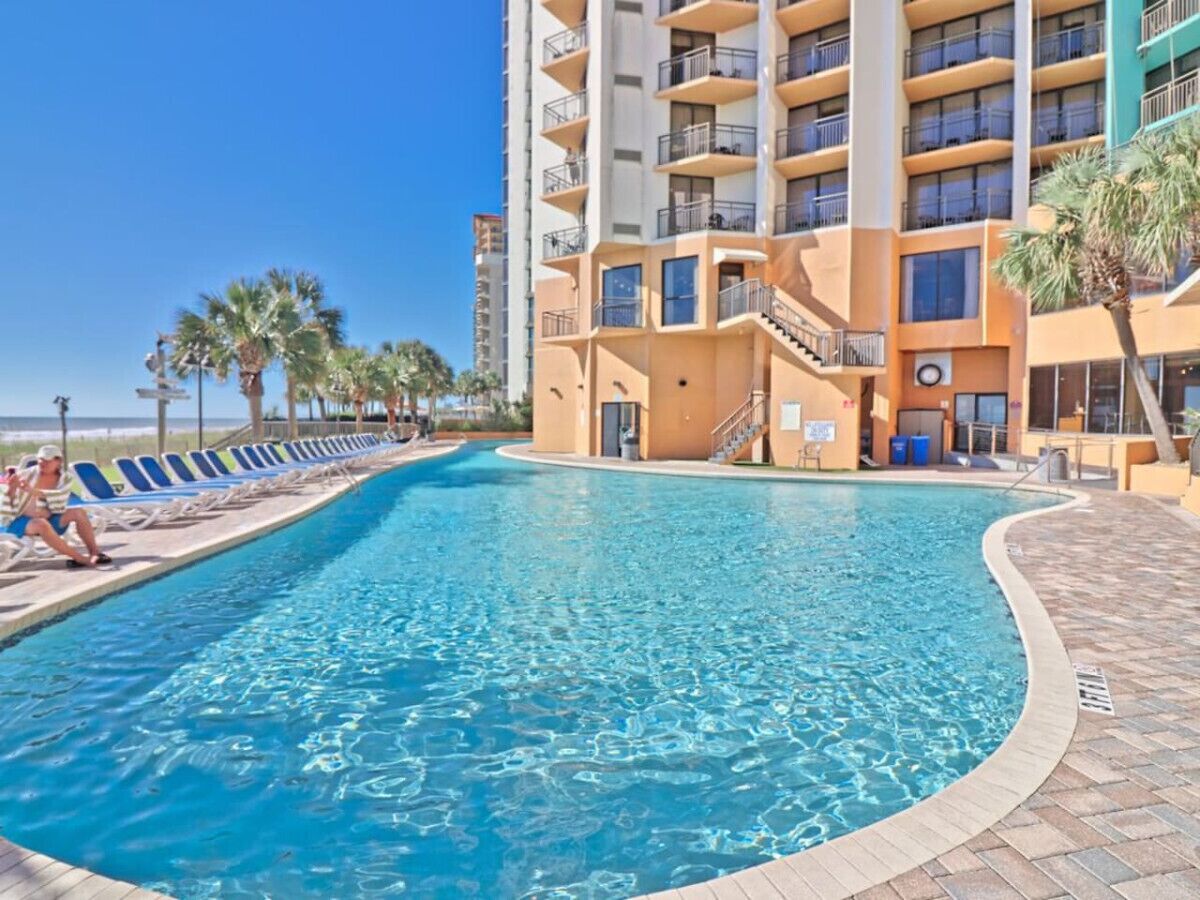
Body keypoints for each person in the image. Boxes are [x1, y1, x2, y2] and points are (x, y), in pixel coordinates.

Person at [2, 445, 111, 568]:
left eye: (48, 460)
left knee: (78, 512)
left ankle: (95, 552)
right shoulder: (25, 475)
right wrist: (11, 489)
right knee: (41, 523)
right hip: (20, 521)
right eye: (41, 459)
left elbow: (59, 498)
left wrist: (32, 491)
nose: (43, 463)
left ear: (58, 461)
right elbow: (8, 504)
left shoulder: (65, 478)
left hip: (50, 519)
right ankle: (79, 558)